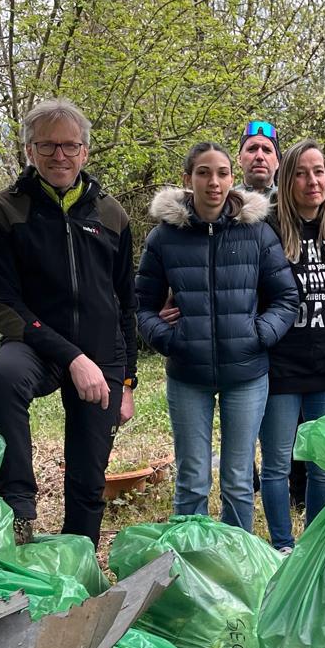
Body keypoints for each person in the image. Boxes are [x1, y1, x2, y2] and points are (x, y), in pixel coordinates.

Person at [0, 98, 136, 548]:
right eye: (47, 145)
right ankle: (17, 511)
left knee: (89, 478)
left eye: (69, 146)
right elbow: (5, 304)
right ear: (30, 151)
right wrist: (71, 357)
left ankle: (79, 559)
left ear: (84, 152)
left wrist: (127, 382)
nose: (59, 156)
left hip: (102, 353)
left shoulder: (111, 214)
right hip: (36, 347)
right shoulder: (3, 212)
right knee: (1, 378)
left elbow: (127, 303)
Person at [137, 142, 299, 529]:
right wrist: (168, 339)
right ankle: (190, 558)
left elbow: (286, 298)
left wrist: (258, 335)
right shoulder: (164, 238)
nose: (214, 182)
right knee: (192, 479)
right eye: (204, 173)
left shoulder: (256, 233)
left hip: (246, 374)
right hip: (187, 375)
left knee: (238, 480)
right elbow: (141, 306)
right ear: (188, 179)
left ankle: (235, 559)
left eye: (222, 173)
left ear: (231, 178)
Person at [260, 139, 325, 550]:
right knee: (277, 464)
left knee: (323, 466)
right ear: (286, 180)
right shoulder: (267, 229)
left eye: (318, 171)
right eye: (301, 173)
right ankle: (282, 545)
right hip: (280, 365)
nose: (312, 180)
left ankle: (314, 546)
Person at [238, 120, 281, 197]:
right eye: (252, 149)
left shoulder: (291, 201)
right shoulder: (225, 201)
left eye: (267, 150)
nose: (260, 156)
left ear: (277, 162)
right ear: (239, 159)